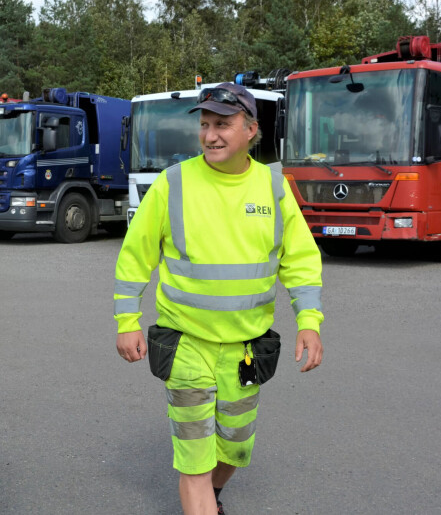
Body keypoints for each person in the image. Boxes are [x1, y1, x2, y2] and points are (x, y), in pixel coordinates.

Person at [113, 82, 324, 514]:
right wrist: (126, 320)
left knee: (234, 449)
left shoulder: (274, 189)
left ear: (251, 130)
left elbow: (300, 260)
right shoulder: (173, 184)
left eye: (223, 125)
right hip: (187, 344)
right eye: (205, 124)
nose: (211, 135)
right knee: (194, 462)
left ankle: (212, 496)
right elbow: (134, 258)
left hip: (246, 350)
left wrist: (309, 321)